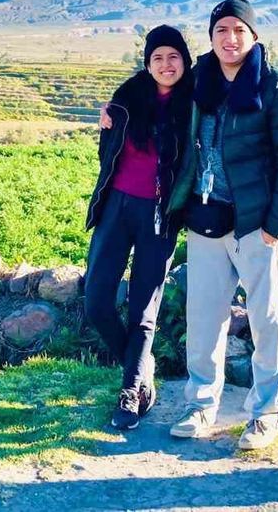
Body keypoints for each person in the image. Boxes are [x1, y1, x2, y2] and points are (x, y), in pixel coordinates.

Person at [167, 0, 278, 451]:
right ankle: (200, 405)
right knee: (203, 319)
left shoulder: (277, 87)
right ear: (211, 37)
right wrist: (114, 110)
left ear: (254, 36)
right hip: (205, 219)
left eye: (238, 30)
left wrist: (276, 225)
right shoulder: (197, 81)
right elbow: (152, 91)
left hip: (256, 224)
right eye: (221, 30)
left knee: (266, 320)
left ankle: (265, 412)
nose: (230, 39)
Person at [84, 24, 194, 431]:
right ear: (147, 64)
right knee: (96, 302)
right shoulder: (126, 99)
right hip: (116, 208)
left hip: (159, 216)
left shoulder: (196, 103)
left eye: (173, 56)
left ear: (185, 61)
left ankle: (132, 391)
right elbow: (107, 153)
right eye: (157, 57)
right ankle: (142, 367)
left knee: (143, 308)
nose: (166, 64)